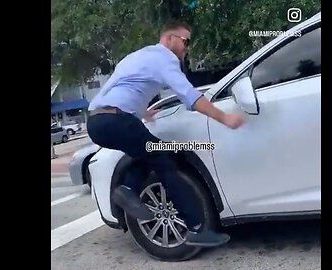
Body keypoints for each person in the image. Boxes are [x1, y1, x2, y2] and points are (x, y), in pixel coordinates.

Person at [87, 21, 245, 247]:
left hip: (97, 121)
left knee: (150, 151)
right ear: (170, 38)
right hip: (117, 120)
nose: (186, 49)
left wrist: (143, 112)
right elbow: (189, 95)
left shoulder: (136, 57)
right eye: (185, 41)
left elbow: (122, 88)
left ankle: (127, 189)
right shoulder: (165, 59)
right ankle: (196, 228)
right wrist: (225, 118)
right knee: (164, 161)